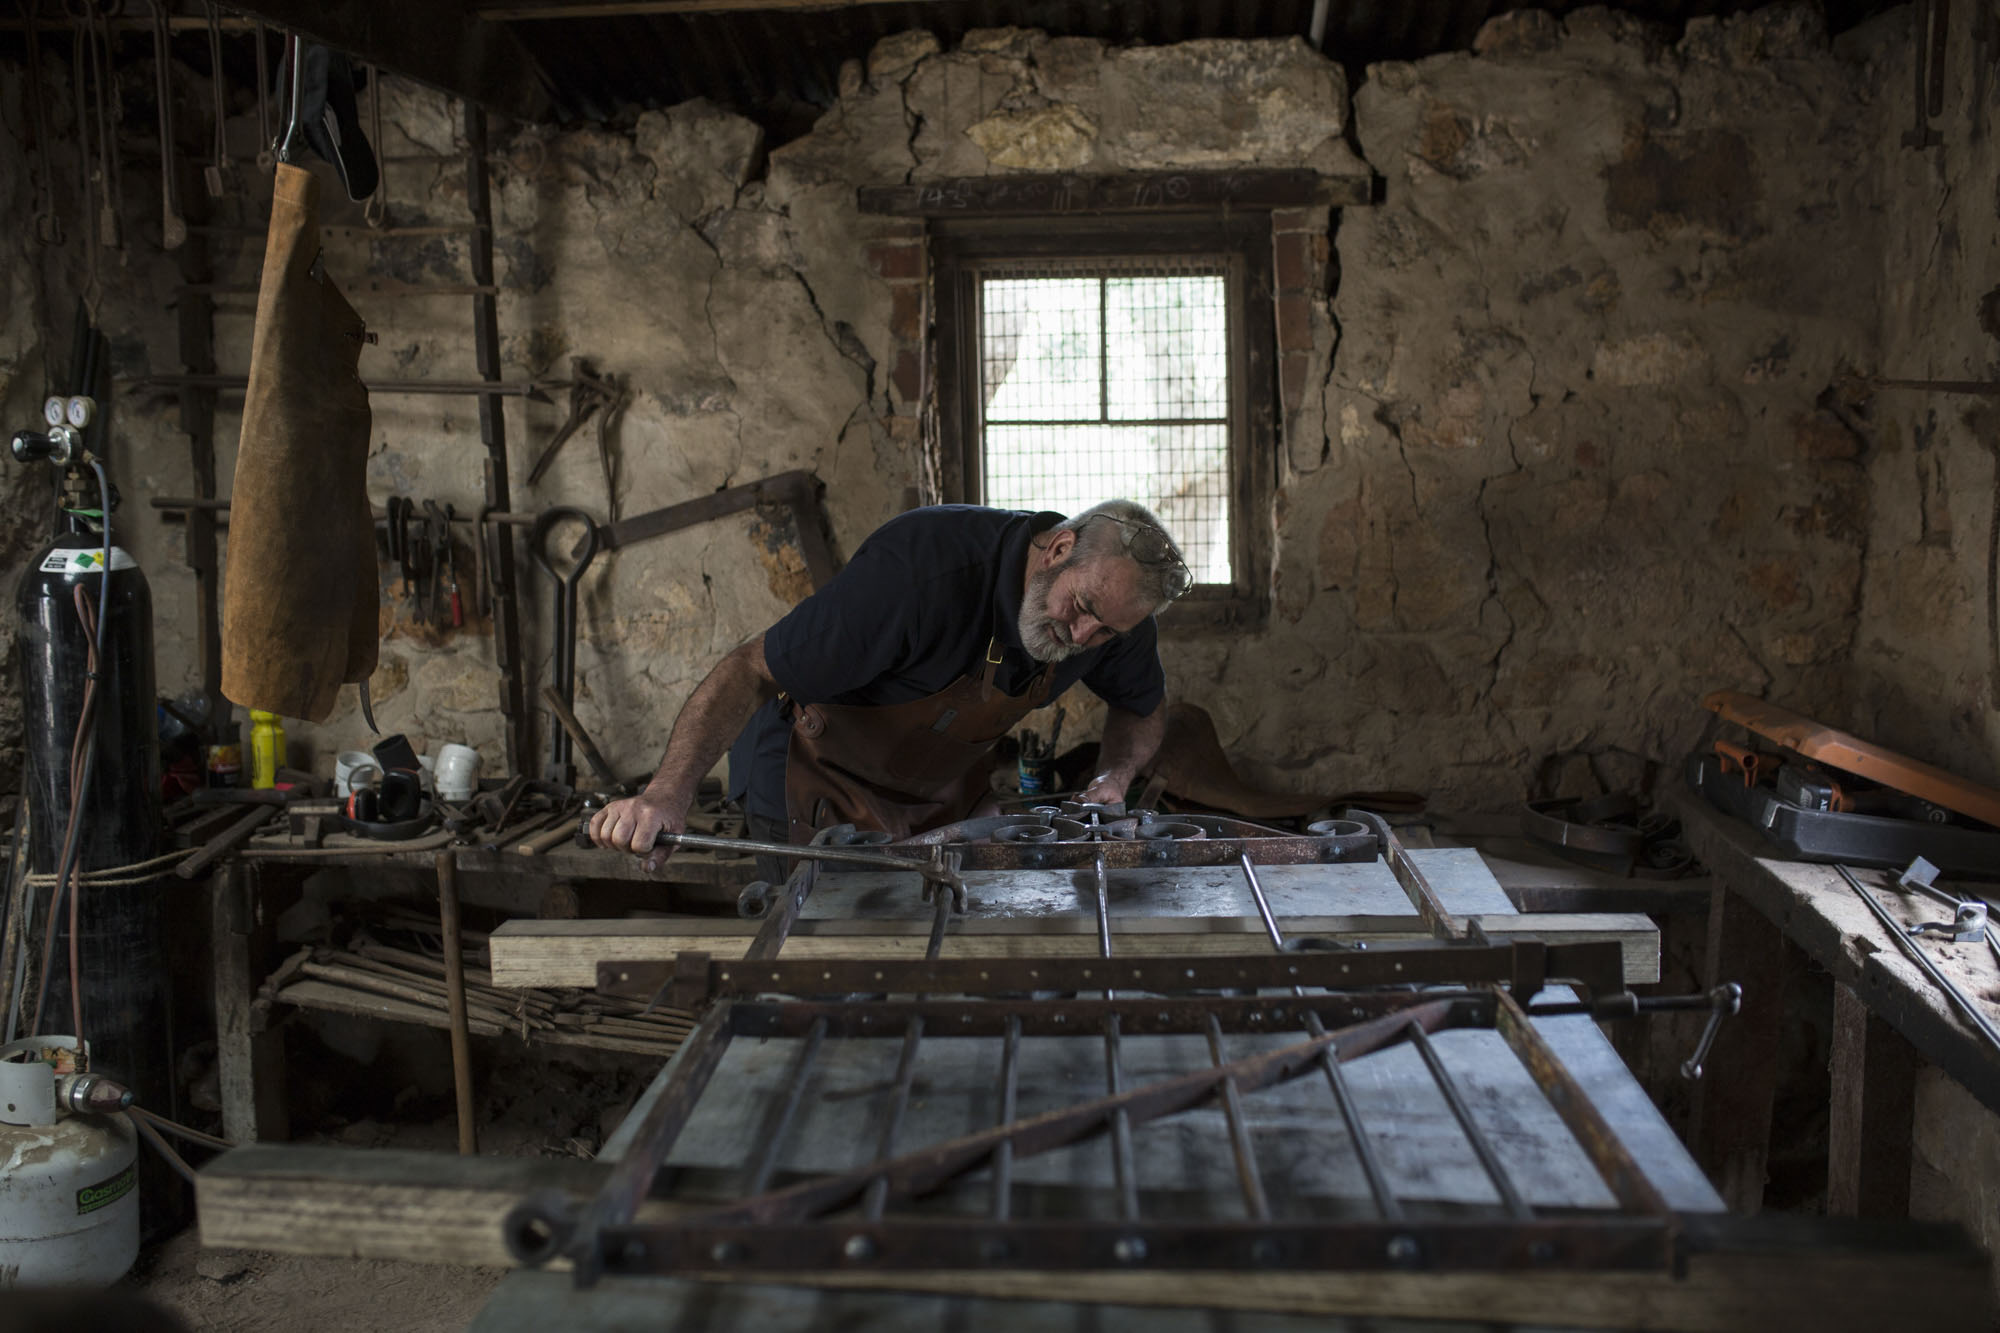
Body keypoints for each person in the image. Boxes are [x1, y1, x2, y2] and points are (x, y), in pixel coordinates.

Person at [588, 499, 1192, 871]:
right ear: (1059, 549)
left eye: (1105, 631)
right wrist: (667, 795)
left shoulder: (1116, 616)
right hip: (810, 776)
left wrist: (1113, 780)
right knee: (833, 952)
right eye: (1080, 607)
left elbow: (1141, 707)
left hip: (929, 792)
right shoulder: (923, 569)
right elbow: (749, 669)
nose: (1082, 634)